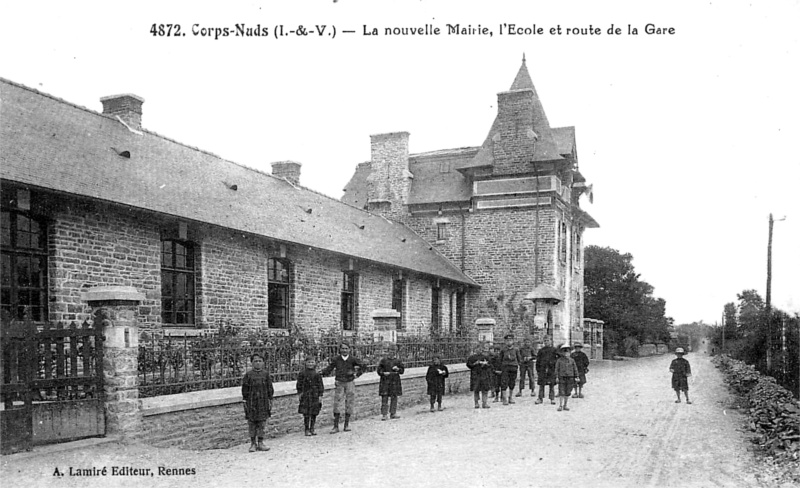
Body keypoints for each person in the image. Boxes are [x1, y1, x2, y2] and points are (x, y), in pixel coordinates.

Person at [321, 343, 365, 433]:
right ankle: (336, 426)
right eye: (343, 349)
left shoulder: (352, 359)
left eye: (346, 348)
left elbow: (363, 366)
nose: (344, 350)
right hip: (339, 382)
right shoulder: (336, 359)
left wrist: (357, 374)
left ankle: (346, 425)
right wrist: (321, 373)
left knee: (349, 402)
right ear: (340, 350)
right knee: (337, 403)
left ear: (349, 349)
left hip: (350, 382)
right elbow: (329, 369)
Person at [242, 353, 274, 452]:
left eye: (260, 361)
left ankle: (261, 442)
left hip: (263, 401)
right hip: (252, 402)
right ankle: (253, 444)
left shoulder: (266, 374)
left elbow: (270, 388)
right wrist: (245, 400)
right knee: (252, 423)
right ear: (252, 363)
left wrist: (270, 399)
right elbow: (245, 389)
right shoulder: (248, 375)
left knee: (262, 423)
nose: (258, 363)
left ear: (263, 363)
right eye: (255, 361)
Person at [296, 356, 324, 436]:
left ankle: (312, 428)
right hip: (306, 395)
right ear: (305, 363)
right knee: (306, 413)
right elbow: (299, 384)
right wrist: (300, 393)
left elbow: (320, 385)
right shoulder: (302, 373)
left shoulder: (317, 374)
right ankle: (306, 429)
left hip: (314, 395)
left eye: (312, 362)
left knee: (314, 412)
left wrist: (320, 395)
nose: (310, 364)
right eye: (309, 362)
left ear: (315, 363)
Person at [377, 343, 405, 420]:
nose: (392, 352)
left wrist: (398, 369)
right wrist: (383, 373)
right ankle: (384, 414)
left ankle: (393, 413)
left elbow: (402, 371)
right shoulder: (383, 361)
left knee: (394, 397)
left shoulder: (398, 361)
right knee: (384, 397)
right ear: (388, 351)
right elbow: (379, 370)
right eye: (391, 350)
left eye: (394, 351)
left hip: (394, 381)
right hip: (385, 381)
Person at [466, 343, 493, 409]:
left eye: (480, 349)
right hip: (476, 375)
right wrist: (475, 364)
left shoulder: (485, 357)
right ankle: (476, 403)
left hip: (484, 374)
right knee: (476, 389)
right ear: (475, 350)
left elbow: (490, 365)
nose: (479, 350)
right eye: (477, 349)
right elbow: (468, 365)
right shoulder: (471, 358)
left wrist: (485, 364)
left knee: (485, 389)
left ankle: (484, 403)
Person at [554, 344, 579, 412]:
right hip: (562, 377)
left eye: (567, 352)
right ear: (562, 353)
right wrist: (556, 377)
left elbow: (575, 369)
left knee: (568, 392)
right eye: (564, 352)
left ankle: (565, 405)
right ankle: (560, 405)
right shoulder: (559, 360)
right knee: (562, 391)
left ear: (570, 353)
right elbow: (556, 369)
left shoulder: (572, 360)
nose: (566, 353)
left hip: (570, 377)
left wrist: (577, 376)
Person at [534, 336, 557, 405]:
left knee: (552, 384)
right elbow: (538, 361)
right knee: (541, 384)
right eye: (545, 341)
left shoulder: (554, 350)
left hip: (551, 369)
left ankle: (552, 398)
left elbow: (558, 358)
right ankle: (540, 398)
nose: (546, 342)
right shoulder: (541, 350)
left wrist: (554, 365)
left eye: (548, 340)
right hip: (543, 369)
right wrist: (538, 370)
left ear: (551, 341)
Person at [498, 333, 520, 405]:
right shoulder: (503, 350)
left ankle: (510, 397)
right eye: (507, 340)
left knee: (512, 382)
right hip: (505, 367)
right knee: (504, 382)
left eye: (510, 340)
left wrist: (518, 365)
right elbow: (500, 360)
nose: (509, 342)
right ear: (505, 341)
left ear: (513, 341)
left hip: (513, 367)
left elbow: (519, 359)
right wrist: (500, 368)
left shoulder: (516, 349)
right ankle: (504, 398)